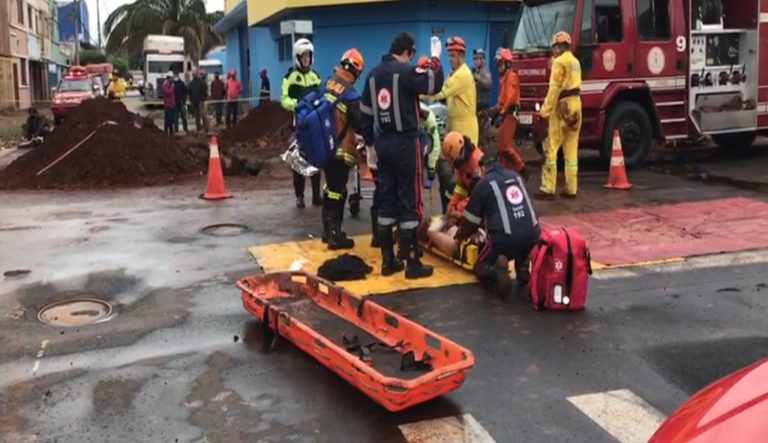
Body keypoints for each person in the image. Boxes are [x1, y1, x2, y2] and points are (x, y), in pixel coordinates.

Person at [361, 32, 444, 279]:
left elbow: (365, 114)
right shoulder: (406, 72)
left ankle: (388, 260)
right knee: (410, 200)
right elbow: (433, 84)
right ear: (407, 52)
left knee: (386, 199)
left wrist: (371, 142)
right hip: (406, 143)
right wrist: (436, 63)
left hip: (383, 143)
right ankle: (411, 262)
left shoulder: (373, 75)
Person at [456, 155, 539, 296]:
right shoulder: (516, 176)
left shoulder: (483, 184)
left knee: (480, 267)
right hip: (532, 233)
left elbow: (470, 222)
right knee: (522, 243)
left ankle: (496, 271)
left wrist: (460, 236)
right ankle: (523, 270)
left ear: (483, 168)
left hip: (505, 238)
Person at [320, 49, 366, 250]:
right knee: (338, 192)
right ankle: (335, 235)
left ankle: (326, 231)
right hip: (340, 149)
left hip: (324, 146)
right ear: (356, 71)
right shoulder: (351, 93)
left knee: (329, 188)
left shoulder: (327, 82)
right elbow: (360, 125)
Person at [537, 31, 582, 200]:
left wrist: (544, 111)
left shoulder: (559, 62)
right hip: (576, 105)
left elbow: (554, 89)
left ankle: (548, 188)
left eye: (555, 46)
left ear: (561, 46)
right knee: (571, 149)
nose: (553, 50)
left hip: (562, 105)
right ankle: (571, 188)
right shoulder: (575, 61)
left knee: (551, 146)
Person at [281, 38, 323, 208]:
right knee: (298, 162)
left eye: (308, 56)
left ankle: (316, 195)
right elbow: (284, 99)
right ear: (297, 57)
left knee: (316, 160)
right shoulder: (290, 77)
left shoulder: (315, 76)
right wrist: (296, 105)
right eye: (303, 56)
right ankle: (299, 196)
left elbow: (321, 96)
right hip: (298, 124)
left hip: (314, 124)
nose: (306, 59)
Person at [427, 36, 478, 145]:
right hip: (456, 127)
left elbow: (439, 92)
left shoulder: (462, 75)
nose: (450, 59)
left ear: (461, 56)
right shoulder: (454, 73)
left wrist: (418, 92)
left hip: (465, 130)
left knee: (465, 161)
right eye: (449, 55)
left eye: (453, 56)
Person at [494, 48, 529, 179]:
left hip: (510, 114)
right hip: (505, 114)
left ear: (507, 64)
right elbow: (503, 98)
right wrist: (496, 110)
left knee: (505, 147)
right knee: (501, 149)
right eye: (498, 64)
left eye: (500, 63)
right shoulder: (504, 78)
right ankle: (506, 172)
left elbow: (511, 97)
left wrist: (502, 112)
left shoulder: (511, 77)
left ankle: (522, 170)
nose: (498, 66)